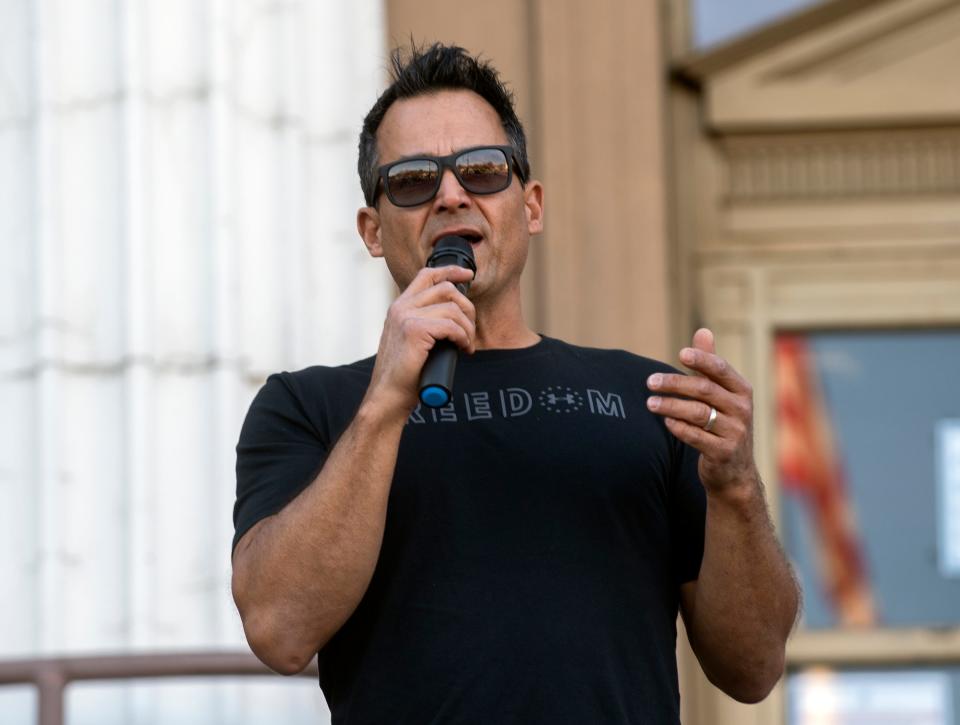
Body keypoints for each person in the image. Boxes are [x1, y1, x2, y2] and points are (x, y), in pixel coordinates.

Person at [230, 43, 799, 724]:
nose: (450, 194)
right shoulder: (310, 408)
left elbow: (755, 666)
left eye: (481, 170)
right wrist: (384, 404)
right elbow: (279, 628)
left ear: (529, 204)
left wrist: (737, 486)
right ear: (372, 231)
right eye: (412, 180)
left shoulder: (647, 398)